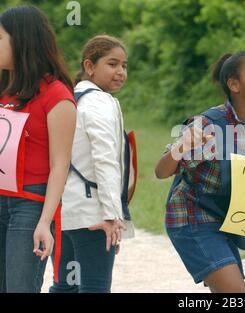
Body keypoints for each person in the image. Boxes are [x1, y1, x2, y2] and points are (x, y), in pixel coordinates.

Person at [155, 51, 245, 292]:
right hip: (192, 218)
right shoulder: (209, 125)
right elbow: (161, 171)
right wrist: (181, 146)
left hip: (222, 219)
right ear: (234, 84)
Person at [0, 5, 76, 293]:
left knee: (19, 287)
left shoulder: (56, 95)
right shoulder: (4, 88)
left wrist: (45, 222)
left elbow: (60, 164)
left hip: (30, 203)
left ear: (21, 41)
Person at [50, 35, 134, 293]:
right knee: (95, 287)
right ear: (89, 66)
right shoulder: (98, 102)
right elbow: (105, 160)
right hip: (94, 214)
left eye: (124, 65)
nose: (120, 72)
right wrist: (111, 215)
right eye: (112, 64)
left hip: (63, 211)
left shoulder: (68, 97)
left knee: (65, 286)